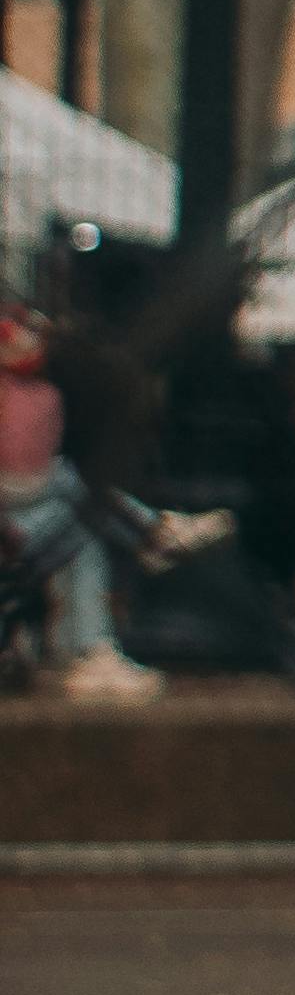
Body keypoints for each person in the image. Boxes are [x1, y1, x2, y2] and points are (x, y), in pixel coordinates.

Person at [0, 285, 158, 698]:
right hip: (12, 514)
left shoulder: (44, 394)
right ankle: (152, 533)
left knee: (79, 529)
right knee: (71, 487)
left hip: (26, 513)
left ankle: (89, 652)